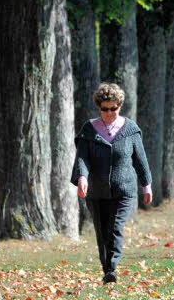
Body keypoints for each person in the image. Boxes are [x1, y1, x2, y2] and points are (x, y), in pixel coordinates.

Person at [71, 82, 153, 285]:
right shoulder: (89, 130)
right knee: (102, 230)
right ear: (99, 108)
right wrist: (82, 177)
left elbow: (140, 159)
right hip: (96, 191)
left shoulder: (130, 129)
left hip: (123, 189)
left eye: (113, 108)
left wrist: (147, 185)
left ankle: (113, 267)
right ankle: (107, 269)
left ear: (120, 106)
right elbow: (82, 158)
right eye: (104, 109)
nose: (109, 113)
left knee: (115, 228)